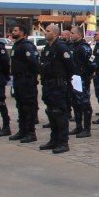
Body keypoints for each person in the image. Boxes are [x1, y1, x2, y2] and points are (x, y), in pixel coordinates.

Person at [38, 24, 74, 153]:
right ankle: (54, 140)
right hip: (48, 85)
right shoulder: (47, 47)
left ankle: (63, 142)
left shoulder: (61, 47)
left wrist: (64, 80)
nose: (45, 33)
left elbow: (70, 67)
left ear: (54, 33)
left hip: (58, 86)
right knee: (51, 113)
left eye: (47, 31)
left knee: (60, 114)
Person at [8, 25, 40, 143]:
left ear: (22, 33)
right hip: (18, 80)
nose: (13, 32)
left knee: (28, 107)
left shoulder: (26, 46)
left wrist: (31, 78)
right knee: (20, 106)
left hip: (26, 80)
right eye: (13, 30)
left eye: (16, 30)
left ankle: (31, 133)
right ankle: (22, 131)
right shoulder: (16, 45)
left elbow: (34, 63)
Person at [69, 26, 94, 138]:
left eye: (72, 33)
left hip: (82, 79)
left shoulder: (84, 47)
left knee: (84, 103)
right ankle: (78, 126)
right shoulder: (73, 46)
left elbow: (92, 62)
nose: (70, 34)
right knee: (75, 103)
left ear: (78, 35)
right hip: (74, 78)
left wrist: (86, 75)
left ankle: (86, 129)